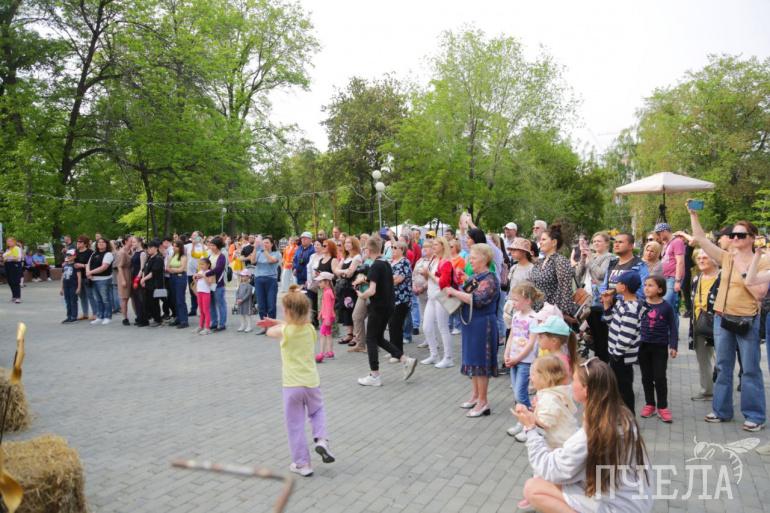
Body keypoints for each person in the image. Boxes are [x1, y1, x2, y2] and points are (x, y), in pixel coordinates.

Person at [516, 357, 652, 513]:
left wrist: (530, 429)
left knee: (533, 488)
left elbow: (549, 468)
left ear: (586, 390)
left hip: (618, 506)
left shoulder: (592, 434)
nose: (570, 384)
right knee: (558, 480)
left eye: (574, 380)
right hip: (635, 498)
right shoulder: (622, 414)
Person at [689, 205, 768, 431]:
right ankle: (721, 410)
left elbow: (759, 294)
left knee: (750, 369)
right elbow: (701, 239)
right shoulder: (726, 257)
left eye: (740, 235)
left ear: (752, 238)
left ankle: (755, 415)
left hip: (747, 320)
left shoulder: (762, 261)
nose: (734, 238)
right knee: (723, 366)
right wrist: (694, 215)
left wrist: (743, 266)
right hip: (722, 319)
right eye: (733, 235)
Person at [258, 286, 335, 477]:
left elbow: (271, 332)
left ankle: (303, 464)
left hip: (292, 385)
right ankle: (322, 440)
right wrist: (281, 322)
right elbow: (294, 324)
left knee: (295, 424)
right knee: (317, 412)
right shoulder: (310, 330)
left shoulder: (285, 331)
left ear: (287, 312)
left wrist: (274, 324)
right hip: (312, 383)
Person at [512, 356, 579, 510]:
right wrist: (537, 409)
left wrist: (527, 417)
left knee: (542, 468)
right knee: (545, 470)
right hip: (562, 440)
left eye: (533, 374)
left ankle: (537, 495)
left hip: (559, 443)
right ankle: (543, 492)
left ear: (545, 377)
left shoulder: (550, 397)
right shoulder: (552, 393)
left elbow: (546, 423)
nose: (530, 377)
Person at [445, 243, 499, 417]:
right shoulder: (477, 277)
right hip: (472, 324)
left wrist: (454, 292)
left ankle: (483, 402)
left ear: (484, 259)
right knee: (473, 360)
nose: (470, 261)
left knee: (481, 362)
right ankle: (476, 396)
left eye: (473, 258)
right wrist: (461, 282)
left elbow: (477, 299)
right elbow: (467, 290)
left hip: (483, 325)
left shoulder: (490, 279)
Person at [355, 237, 418, 387]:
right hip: (389, 306)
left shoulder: (376, 265)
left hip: (378, 307)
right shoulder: (386, 263)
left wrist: (361, 295)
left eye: (365, 249)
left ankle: (374, 375)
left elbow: (372, 290)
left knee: (371, 339)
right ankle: (405, 360)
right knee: (378, 338)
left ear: (369, 250)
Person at [504, 282, 543, 437]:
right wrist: (506, 354)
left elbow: (531, 343)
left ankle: (531, 423)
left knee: (520, 394)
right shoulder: (516, 316)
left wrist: (517, 358)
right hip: (514, 359)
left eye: (516, 300)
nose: (513, 303)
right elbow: (512, 336)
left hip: (525, 361)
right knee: (516, 393)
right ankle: (522, 422)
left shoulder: (534, 318)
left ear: (527, 300)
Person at [638, 275, 678, 423]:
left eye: (650, 285)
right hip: (643, 346)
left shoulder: (666, 307)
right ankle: (650, 404)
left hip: (660, 347)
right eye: (645, 285)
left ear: (660, 289)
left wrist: (673, 346)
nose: (646, 288)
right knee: (646, 377)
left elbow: (673, 327)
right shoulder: (640, 304)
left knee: (660, 377)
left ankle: (662, 406)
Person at [601, 271, 642, 413]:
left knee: (624, 389)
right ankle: (619, 415)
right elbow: (610, 322)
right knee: (617, 387)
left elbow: (625, 337)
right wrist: (607, 304)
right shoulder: (621, 303)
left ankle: (629, 417)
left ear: (624, 287)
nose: (615, 285)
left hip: (621, 357)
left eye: (618, 283)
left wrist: (615, 355)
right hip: (616, 354)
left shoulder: (631, 309)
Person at [575, 231, 613, 363]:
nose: (596, 243)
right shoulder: (591, 257)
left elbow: (601, 275)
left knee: (602, 336)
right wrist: (582, 259)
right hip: (587, 300)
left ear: (607, 243)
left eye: (599, 241)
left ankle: (603, 363)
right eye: (594, 241)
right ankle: (598, 362)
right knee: (594, 335)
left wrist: (590, 259)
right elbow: (578, 275)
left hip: (600, 301)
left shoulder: (609, 257)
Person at [689, 250, 720, 401]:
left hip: (720, 324)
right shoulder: (697, 278)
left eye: (705, 257)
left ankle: (721, 392)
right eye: (699, 258)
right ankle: (707, 391)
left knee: (721, 360)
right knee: (703, 359)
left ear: (714, 260)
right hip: (700, 323)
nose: (701, 260)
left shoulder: (722, 278)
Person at [420, 237, 455, 368]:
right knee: (426, 327)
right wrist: (425, 274)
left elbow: (443, 283)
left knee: (443, 327)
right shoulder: (434, 259)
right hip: (431, 297)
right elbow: (430, 278)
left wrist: (428, 273)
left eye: (435, 244)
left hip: (441, 297)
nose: (433, 246)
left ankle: (448, 357)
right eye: (433, 244)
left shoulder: (446, 262)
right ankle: (434, 355)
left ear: (442, 246)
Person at [530, 225, 575, 318]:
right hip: (537, 309)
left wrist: (562, 313)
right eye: (540, 240)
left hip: (552, 312)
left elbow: (565, 289)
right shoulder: (540, 262)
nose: (540, 242)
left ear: (554, 242)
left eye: (544, 239)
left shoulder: (560, 261)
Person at [656, 223, 685, 329]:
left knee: (667, 304)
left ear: (664, 231)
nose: (658, 236)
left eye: (659, 233)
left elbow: (680, 262)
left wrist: (677, 281)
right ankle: (669, 332)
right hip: (665, 278)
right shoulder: (666, 244)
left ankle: (672, 333)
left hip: (673, 278)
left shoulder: (677, 242)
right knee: (670, 307)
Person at [333, 236, 362, 346]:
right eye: (345, 243)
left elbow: (350, 273)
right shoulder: (345, 257)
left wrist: (342, 272)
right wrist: (343, 272)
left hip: (352, 288)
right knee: (345, 310)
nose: (346, 244)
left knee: (353, 310)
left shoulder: (357, 257)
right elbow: (336, 270)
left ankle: (356, 336)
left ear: (354, 244)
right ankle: (349, 334)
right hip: (344, 288)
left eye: (349, 242)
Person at [251, 237, 281, 334]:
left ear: (272, 244)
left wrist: (264, 250)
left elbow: (271, 260)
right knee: (261, 305)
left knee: (271, 304)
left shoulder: (277, 253)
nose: (265, 244)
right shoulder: (259, 253)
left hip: (271, 280)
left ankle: (272, 326)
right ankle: (264, 326)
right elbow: (252, 261)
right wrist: (255, 248)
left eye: (267, 243)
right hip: (259, 279)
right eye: (263, 243)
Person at [388, 241, 412, 357]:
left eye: (395, 247)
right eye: (392, 247)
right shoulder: (391, 262)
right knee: (391, 325)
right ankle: (393, 350)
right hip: (391, 298)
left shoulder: (405, 262)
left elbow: (398, 279)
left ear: (402, 250)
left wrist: (386, 281)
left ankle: (398, 353)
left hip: (402, 298)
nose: (392, 249)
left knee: (396, 325)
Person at [86, 237, 115, 325]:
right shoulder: (94, 253)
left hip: (104, 280)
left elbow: (104, 267)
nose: (101, 244)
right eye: (99, 242)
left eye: (103, 242)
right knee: (97, 299)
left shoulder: (108, 254)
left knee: (105, 299)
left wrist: (91, 272)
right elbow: (88, 264)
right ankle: (100, 316)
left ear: (106, 244)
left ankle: (107, 317)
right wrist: (88, 273)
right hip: (93, 279)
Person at [139, 240, 165, 327]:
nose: (148, 249)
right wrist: (143, 278)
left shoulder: (158, 259)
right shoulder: (149, 257)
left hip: (154, 284)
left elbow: (153, 272)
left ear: (156, 248)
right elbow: (144, 269)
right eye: (148, 248)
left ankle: (158, 319)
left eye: (150, 247)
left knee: (154, 303)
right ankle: (149, 318)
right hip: (147, 283)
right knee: (147, 302)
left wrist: (143, 279)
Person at [206, 236, 228, 332]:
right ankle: (214, 322)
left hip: (218, 283)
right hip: (209, 283)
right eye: (210, 245)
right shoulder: (210, 255)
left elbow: (218, 269)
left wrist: (207, 273)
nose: (211, 247)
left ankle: (222, 324)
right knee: (211, 304)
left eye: (213, 245)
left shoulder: (222, 256)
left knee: (220, 304)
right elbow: (206, 265)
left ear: (218, 246)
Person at [166, 240, 189, 329]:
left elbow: (181, 269)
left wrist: (173, 270)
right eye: (173, 246)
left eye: (176, 246)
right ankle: (178, 318)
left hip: (180, 277)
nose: (174, 248)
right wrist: (173, 269)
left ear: (180, 247)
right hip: (172, 277)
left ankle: (184, 320)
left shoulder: (183, 256)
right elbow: (167, 267)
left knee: (180, 299)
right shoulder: (172, 256)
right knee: (174, 299)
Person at [315, 271, 336, 362]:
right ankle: (330, 352)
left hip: (327, 317)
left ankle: (321, 353)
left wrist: (326, 318)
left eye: (320, 282)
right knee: (328, 334)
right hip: (329, 316)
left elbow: (328, 307)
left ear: (327, 282)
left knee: (322, 334)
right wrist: (320, 313)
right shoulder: (328, 291)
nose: (319, 283)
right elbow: (325, 305)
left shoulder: (327, 293)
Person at [185, 231, 206, 317]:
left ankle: (202, 310)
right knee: (192, 291)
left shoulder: (203, 247)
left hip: (199, 272)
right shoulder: (187, 246)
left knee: (200, 291)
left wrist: (202, 243)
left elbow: (204, 257)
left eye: (195, 235)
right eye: (192, 235)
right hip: (190, 271)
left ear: (199, 237)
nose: (192, 236)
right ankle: (193, 309)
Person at [74, 235, 95, 318]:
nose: (78, 243)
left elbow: (93, 265)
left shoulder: (90, 252)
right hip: (78, 277)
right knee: (82, 296)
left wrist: (82, 265)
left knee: (90, 295)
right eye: (77, 241)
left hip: (87, 276)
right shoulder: (75, 252)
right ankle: (85, 313)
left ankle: (95, 313)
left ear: (85, 243)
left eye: (80, 242)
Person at [193, 258, 215, 335]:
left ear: (208, 265)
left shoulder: (210, 272)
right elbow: (196, 283)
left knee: (206, 311)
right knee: (201, 310)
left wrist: (203, 276)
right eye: (200, 264)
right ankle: (200, 326)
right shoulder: (200, 272)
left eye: (203, 264)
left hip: (206, 293)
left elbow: (209, 283)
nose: (201, 266)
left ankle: (207, 328)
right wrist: (194, 279)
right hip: (199, 292)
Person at [115, 236, 133, 326]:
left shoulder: (131, 250)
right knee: (124, 298)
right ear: (125, 241)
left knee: (133, 297)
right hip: (124, 274)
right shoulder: (122, 252)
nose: (132, 242)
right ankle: (125, 318)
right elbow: (119, 266)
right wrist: (123, 280)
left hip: (131, 274)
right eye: (131, 241)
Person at [130, 237, 148, 326]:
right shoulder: (135, 252)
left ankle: (144, 319)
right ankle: (139, 317)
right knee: (136, 298)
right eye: (132, 242)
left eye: (134, 242)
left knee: (141, 299)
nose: (132, 243)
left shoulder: (142, 253)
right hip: (134, 276)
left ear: (139, 242)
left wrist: (137, 279)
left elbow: (142, 268)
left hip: (139, 277)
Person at [60, 249, 81, 323]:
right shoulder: (65, 265)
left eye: (70, 255)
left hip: (73, 286)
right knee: (67, 302)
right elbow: (62, 277)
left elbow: (79, 277)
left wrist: (79, 287)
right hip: (66, 286)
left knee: (73, 301)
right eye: (67, 255)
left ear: (74, 256)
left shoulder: (76, 265)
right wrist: (61, 288)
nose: (68, 256)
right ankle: (69, 316)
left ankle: (74, 316)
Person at [2, 237, 23, 303]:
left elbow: (18, 258)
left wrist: (8, 258)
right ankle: (14, 296)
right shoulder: (8, 249)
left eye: (10, 241)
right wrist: (7, 258)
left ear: (14, 242)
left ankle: (18, 297)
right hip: (8, 265)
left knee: (15, 281)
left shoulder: (17, 248)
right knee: (10, 281)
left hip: (15, 265)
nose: (8, 242)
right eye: (7, 241)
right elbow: (4, 258)